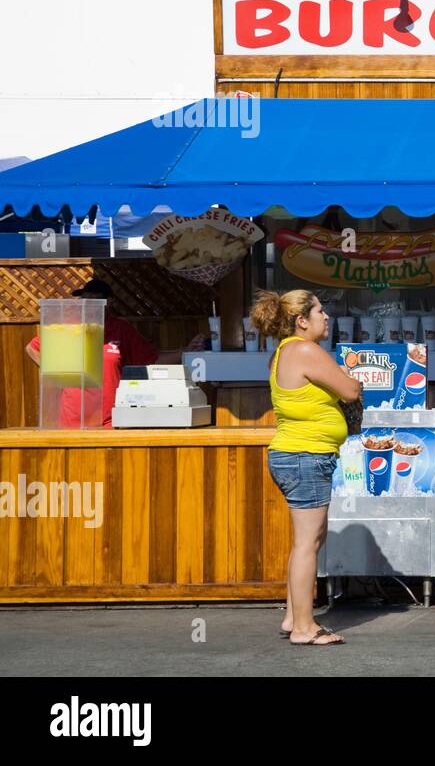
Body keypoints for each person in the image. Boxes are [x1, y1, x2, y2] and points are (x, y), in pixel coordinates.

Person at [251, 289, 361, 647]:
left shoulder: (285, 351)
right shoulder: (304, 350)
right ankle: (303, 628)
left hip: (298, 455)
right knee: (306, 545)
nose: (326, 317)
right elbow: (349, 389)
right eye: (319, 311)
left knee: (308, 540)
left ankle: (291, 616)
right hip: (305, 456)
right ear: (302, 321)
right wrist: (352, 376)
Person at [24, 277, 206, 427]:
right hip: (72, 419)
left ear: (107, 302)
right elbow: (33, 348)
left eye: (94, 300)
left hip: (110, 418)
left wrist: (185, 351)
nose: (89, 305)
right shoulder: (70, 326)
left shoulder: (120, 329)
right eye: (85, 299)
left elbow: (153, 358)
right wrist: (56, 373)